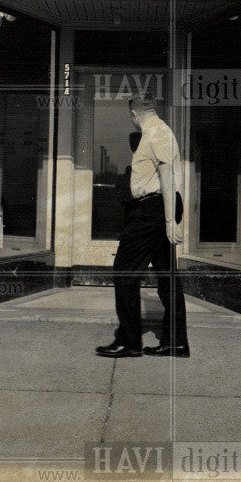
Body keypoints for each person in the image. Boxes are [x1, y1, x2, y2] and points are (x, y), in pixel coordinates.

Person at [96, 92, 189, 358]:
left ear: (134, 114)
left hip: (152, 210)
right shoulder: (158, 132)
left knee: (124, 271)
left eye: (131, 116)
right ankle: (176, 342)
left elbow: (167, 176)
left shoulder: (157, 133)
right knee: (166, 277)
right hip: (157, 209)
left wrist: (171, 221)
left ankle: (129, 341)